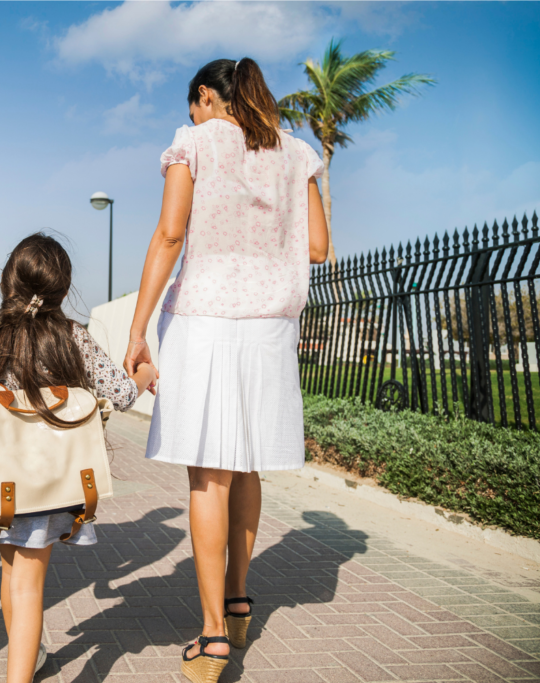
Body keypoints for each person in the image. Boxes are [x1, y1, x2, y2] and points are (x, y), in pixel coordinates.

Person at [123, 58, 329, 682]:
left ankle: (212, 637)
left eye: (195, 105)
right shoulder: (299, 155)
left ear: (207, 97)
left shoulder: (194, 142)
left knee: (208, 475)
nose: (193, 117)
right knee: (246, 465)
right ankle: (239, 601)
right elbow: (318, 248)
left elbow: (169, 234)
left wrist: (137, 330)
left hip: (206, 320)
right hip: (269, 327)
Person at [0, 234, 157, 683]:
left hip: (3, 483)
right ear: (63, 290)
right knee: (27, 584)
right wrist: (147, 370)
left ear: (8, 284)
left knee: (13, 577)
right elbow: (125, 394)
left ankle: (26, 661)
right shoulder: (74, 340)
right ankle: (22, 670)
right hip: (53, 484)